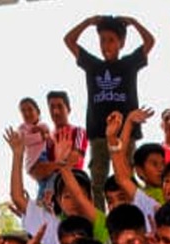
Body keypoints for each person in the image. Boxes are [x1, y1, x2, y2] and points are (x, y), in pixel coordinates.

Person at [66, 15, 155, 209]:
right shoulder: (93, 65)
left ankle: (130, 214)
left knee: (126, 177)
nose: (106, 45)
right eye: (102, 40)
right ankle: (100, 218)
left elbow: (150, 41)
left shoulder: (128, 64)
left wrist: (135, 22)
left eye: (112, 40)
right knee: (97, 181)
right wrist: (87, 22)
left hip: (125, 134)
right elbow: (69, 40)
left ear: (121, 43)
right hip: (99, 134)